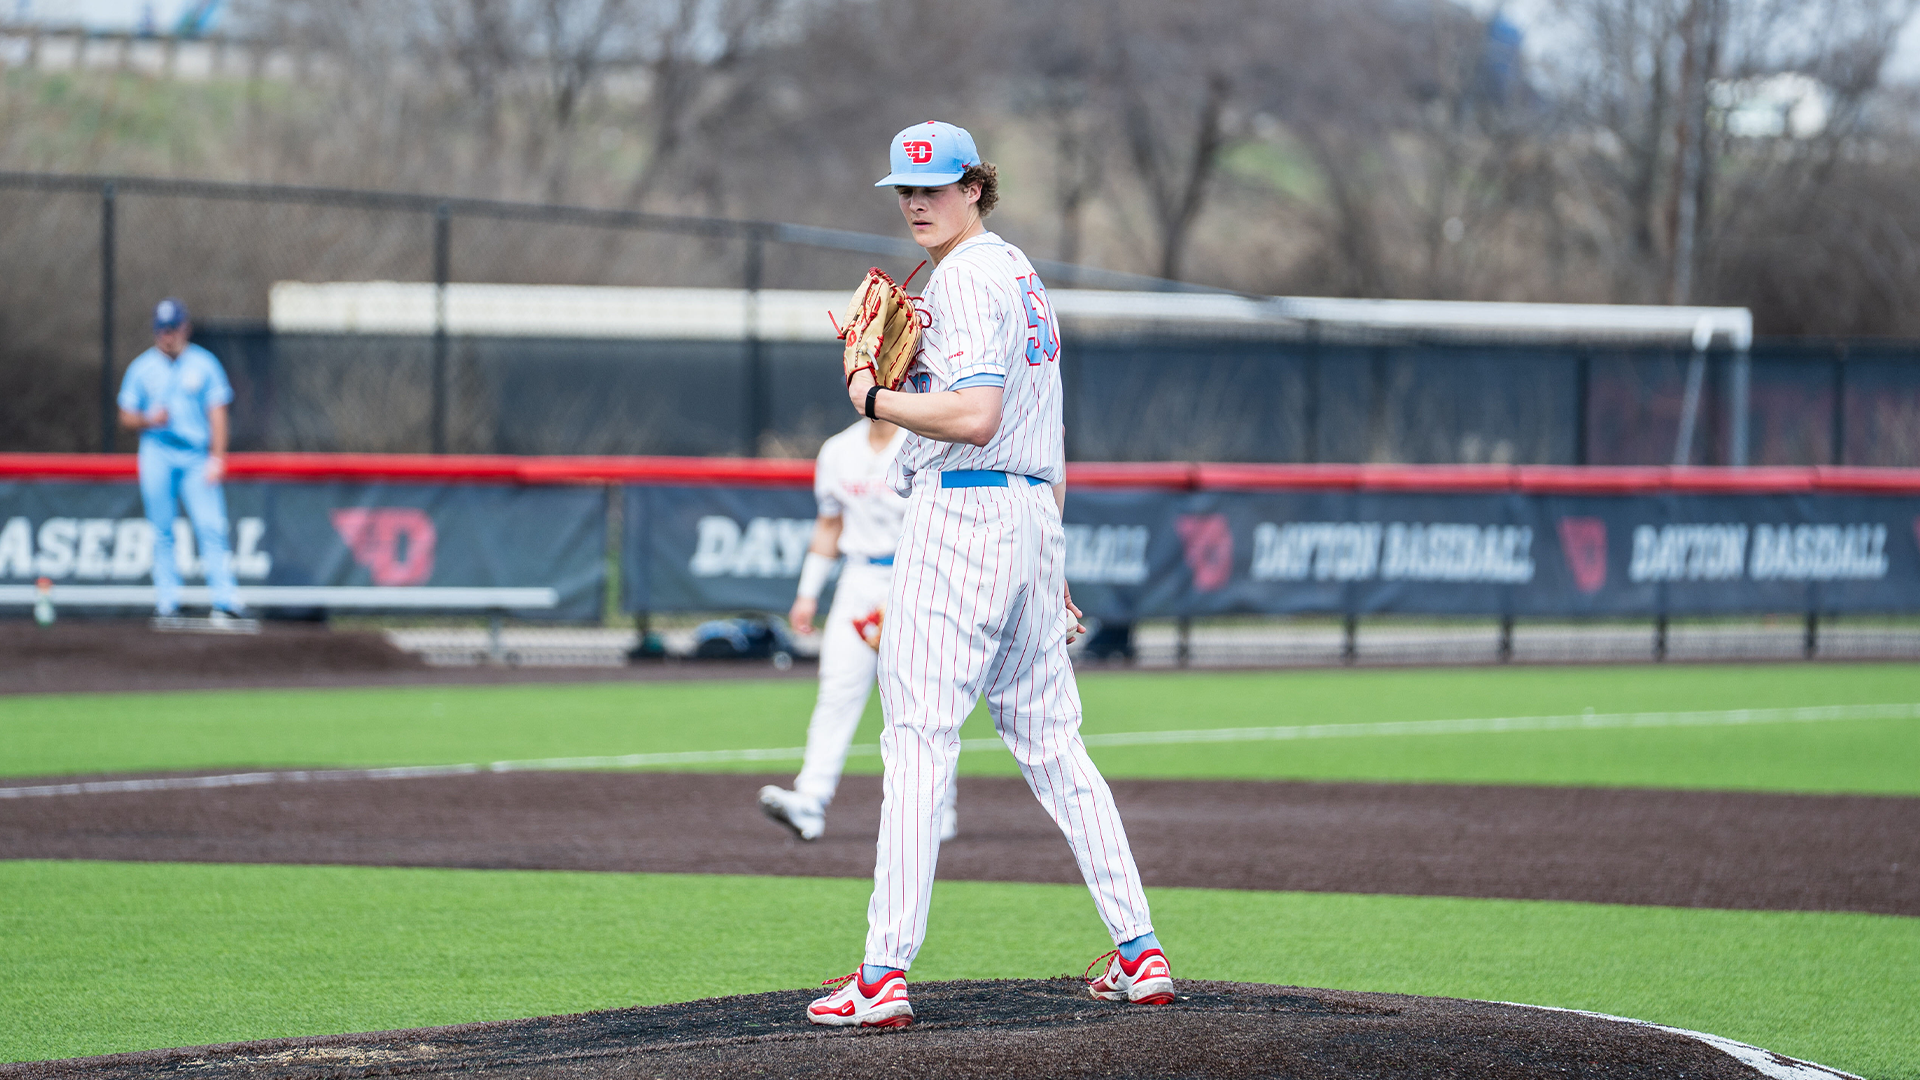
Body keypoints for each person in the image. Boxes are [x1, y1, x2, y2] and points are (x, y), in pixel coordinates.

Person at [806, 121, 1172, 1029]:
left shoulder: (967, 278)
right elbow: (1038, 428)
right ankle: (1141, 950)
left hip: (963, 512)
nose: (918, 201)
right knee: (1056, 748)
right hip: (1024, 519)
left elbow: (975, 415)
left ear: (977, 186)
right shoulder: (1017, 272)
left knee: (919, 739)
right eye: (906, 189)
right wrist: (1045, 551)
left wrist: (869, 395)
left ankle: (883, 974)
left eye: (936, 185)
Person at [757, 416, 959, 844]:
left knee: (923, 701)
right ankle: (809, 801)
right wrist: (807, 593)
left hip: (918, 577)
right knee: (836, 691)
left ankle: (938, 808)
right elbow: (830, 523)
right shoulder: (838, 449)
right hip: (858, 580)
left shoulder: (928, 438)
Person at [117, 298, 244, 623]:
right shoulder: (142, 368)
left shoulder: (204, 364)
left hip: (194, 455)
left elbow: (217, 413)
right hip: (157, 452)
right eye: (161, 330)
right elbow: (126, 416)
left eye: (172, 329)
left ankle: (225, 601)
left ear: (184, 327)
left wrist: (218, 457)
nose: (167, 336)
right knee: (162, 530)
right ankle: (168, 602)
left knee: (210, 526)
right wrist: (148, 419)